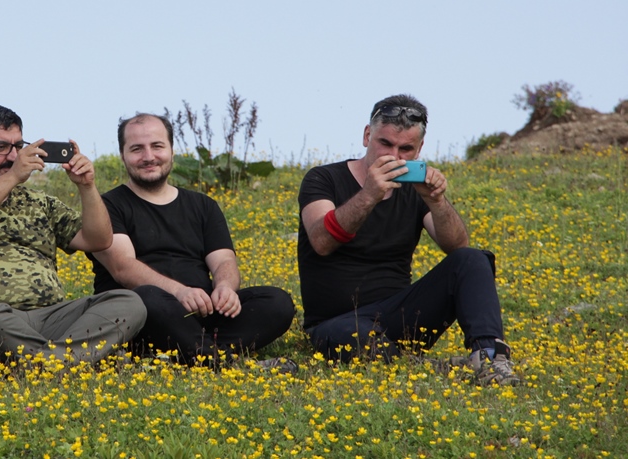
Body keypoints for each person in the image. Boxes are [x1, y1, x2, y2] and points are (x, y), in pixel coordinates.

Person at [296, 94, 520, 385]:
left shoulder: (414, 189)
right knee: (353, 337)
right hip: (336, 322)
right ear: (367, 136)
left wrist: (436, 201)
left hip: (400, 315)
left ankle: (489, 357)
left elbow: (457, 248)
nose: (395, 156)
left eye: (406, 149)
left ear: (419, 149)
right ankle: (419, 365)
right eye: (385, 144)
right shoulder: (323, 179)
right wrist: (369, 194)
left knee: (473, 259)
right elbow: (322, 240)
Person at [0, 104, 147, 365]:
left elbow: (98, 240)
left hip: (49, 319)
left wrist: (87, 187)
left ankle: (49, 363)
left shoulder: (39, 202)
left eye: (18, 146)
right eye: (0, 147)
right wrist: (13, 177)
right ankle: (74, 360)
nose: (13, 156)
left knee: (129, 302)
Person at [90, 113, 296, 367]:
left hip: (201, 310)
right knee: (145, 298)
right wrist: (180, 292)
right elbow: (123, 268)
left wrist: (225, 288)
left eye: (157, 146)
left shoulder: (203, 205)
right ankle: (226, 363)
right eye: (136, 149)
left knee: (277, 302)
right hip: (144, 315)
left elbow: (224, 261)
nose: (148, 156)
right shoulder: (107, 206)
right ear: (122, 155)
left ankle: (189, 355)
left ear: (172, 150)